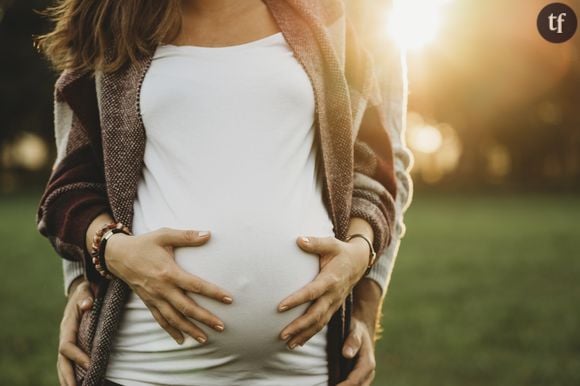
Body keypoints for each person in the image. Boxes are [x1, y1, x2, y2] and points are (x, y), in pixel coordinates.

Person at [35, 0, 412, 385]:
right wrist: (106, 254)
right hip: (144, 365)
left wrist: (359, 258)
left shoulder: (334, 19)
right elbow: (71, 184)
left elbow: (374, 170)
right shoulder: (116, 20)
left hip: (302, 370)